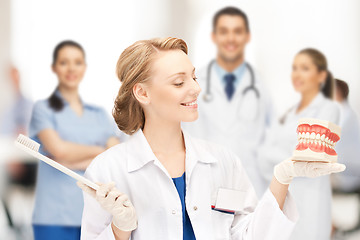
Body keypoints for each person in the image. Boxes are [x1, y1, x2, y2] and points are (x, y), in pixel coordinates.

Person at [78, 37, 345, 240]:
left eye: (193, 77)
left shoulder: (222, 161)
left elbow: (249, 235)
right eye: (179, 82)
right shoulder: (107, 170)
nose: (196, 88)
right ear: (143, 94)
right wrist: (119, 229)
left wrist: (282, 178)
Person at [29, 40, 120, 240]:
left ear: (84, 68)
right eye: (64, 62)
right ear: (54, 68)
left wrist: (70, 161)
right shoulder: (43, 109)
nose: (71, 68)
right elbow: (59, 150)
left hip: (96, 213)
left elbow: (115, 154)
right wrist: (99, 151)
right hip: (54, 217)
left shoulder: (98, 114)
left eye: (77, 62)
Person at [182, 7, 274, 196]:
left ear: (247, 37)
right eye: (224, 31)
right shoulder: (194, 82)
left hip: (251, 184)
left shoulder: (260, 86)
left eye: (237, 31)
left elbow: (273, 138)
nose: (231, 38)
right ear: (214, 37)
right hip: (206, 184)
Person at [257, 48, 341, 240]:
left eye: (304, 68)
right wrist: (286, 159)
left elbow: (313, 155)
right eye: (294, 68)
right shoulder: (288, 113)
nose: (296, 74)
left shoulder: (329, 109)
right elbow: (263, 157)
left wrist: (278, 160)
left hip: (311, 202)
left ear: (321, 75)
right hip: (283, 199)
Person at [332, 79, 360, 192]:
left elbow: (334, 144)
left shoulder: (345, 115)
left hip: (348, 174)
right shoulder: (345, 112)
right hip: (347, 169)